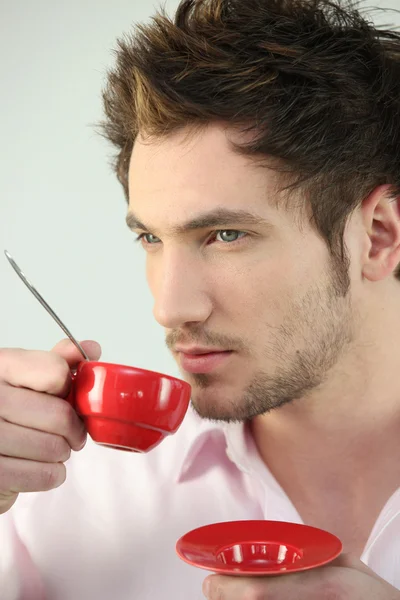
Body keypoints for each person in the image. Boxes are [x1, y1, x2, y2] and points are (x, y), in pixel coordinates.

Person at [1, 0, 400, 597]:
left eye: (226, 235)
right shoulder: (54, 496)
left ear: (377, 237)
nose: (169, 308)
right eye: (150, 238)